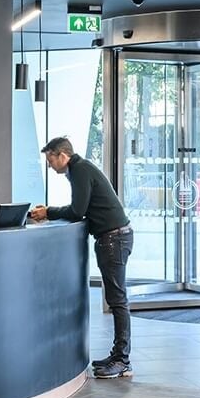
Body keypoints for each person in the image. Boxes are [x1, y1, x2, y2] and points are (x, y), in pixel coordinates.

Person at [30, 137, 134, 379]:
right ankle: (118, 355)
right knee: (116, 298)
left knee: (117, 300)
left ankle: (122, 360)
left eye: (50, 159)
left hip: (114, 240)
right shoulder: (80, 169)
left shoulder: (79, 170)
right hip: (114, 239)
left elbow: (78, 211)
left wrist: (48, 212)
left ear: (62, 156)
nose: (50, 165)